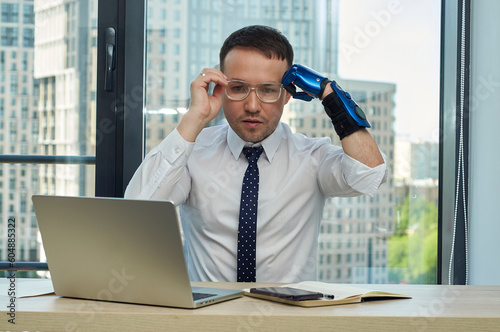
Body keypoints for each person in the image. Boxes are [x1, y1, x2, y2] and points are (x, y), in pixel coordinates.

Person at [124, 25, 386, 282]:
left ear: (287, 95)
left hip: (290, 320)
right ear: (221, 90)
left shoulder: (312, 157)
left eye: (268, 90)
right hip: (209, 320)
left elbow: (368, 175)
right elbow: (138, 213)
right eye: (238, 88)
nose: (252, 106)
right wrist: (195, 118)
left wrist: (330, 94)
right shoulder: (193, 152)